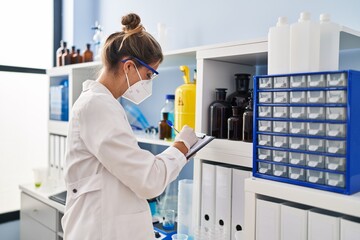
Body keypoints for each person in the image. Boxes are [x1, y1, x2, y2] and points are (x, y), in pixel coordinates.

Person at [61, 13, 198, 240]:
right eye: (148, 75)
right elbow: (149, 180)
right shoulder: (97, 105)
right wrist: (181, 148)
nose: (148, 83)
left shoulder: (105, 105)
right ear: (129, 66)